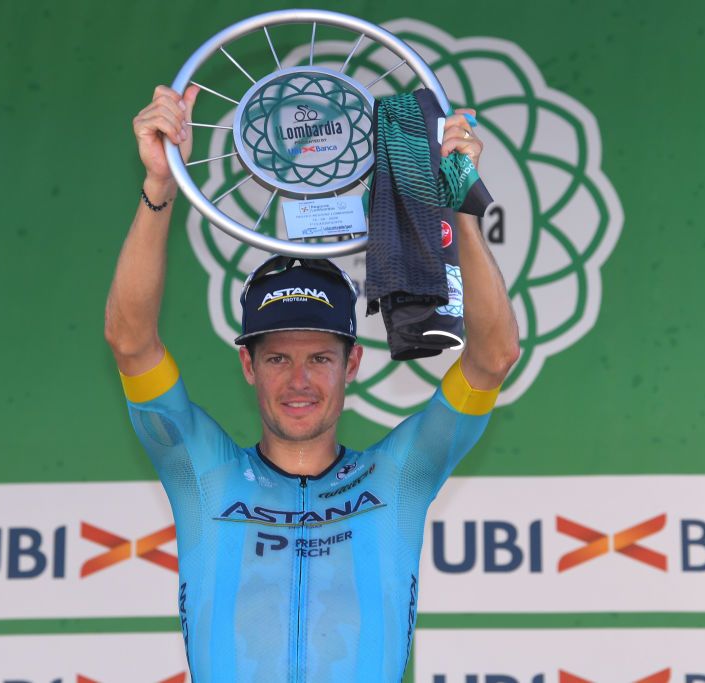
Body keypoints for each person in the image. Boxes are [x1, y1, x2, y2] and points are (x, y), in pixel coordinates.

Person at [104, 84, 520, 682]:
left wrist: (460, 209)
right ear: (248, 365)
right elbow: (130, 342)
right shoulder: (202, 470)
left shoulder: (400, 475)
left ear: (351, 365)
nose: (299, 380)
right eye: (277, 359)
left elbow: (493, 355)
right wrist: (160, 186)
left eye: (320, 358)